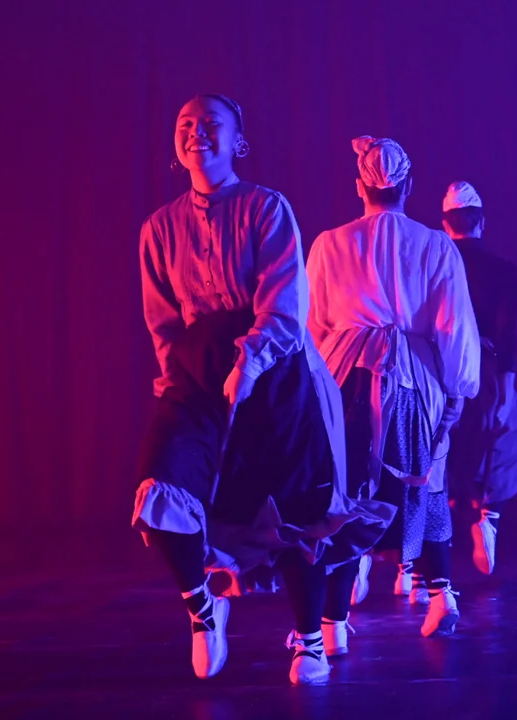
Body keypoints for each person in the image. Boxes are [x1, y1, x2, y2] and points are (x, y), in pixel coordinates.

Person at [133, 95, 391, 685]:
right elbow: (163, 323)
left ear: (238, 140)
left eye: (211, 124)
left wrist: (249, 364)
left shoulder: (266, 207)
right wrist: (176, 386)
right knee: (162, 484)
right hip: (196, 375)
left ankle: (309, 641)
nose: (197, 133)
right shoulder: (158, 228)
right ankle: (202, 607)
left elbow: (284, 302)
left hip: (276, 373)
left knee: (298, 506)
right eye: (186, 125)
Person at [307, 136, 481, 649]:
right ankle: (441, 593)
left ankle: (332, 624)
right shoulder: (436, 245)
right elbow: (452, 324)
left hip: (347, 376)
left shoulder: (329, 244)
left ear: (359, 187)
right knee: (425, 480)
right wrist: (457, 390)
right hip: (414, 380)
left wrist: (312, 389)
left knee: (347, 492)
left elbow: (312, 324)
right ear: (409, 186)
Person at [440, 181, 517, 575]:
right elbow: (506, 334)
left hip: (438, 366)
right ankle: (488, 516)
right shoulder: (503, 271)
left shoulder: (436, 265)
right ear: (482, 222)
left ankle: (422, 552)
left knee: (433, 445)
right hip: (485, 368)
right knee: (511, 436)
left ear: (445, 225)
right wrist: (507, 392)